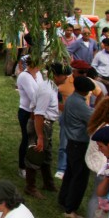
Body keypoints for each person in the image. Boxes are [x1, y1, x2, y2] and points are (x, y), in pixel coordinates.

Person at [24, 63, 67, 199]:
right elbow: (38, 114)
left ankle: (48, 183)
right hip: (41, 124)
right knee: (35, 154)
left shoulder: (52, 87)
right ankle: (30, 187)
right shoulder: (46, 91)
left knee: (46, 155)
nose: (66, 78)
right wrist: (40, 137)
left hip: (45, 124)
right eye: (64, 75)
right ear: (56, 76)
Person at [58, 76, 95, 218]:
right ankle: (70, 208)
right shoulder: (79, 103)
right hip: (79, 143)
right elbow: (93, 118)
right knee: (79, 177)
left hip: (72, 142)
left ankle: (64, 199)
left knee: (70, 173)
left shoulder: (72, 99)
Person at [16, 53, 43, 178]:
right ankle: (22, 166)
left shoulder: (39, 74)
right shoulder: (24, 76)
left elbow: (42, 89)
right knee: (26, 138)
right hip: (26, 112)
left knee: (36, 138)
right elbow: (33, 96)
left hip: (38, 111)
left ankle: (33, 163)